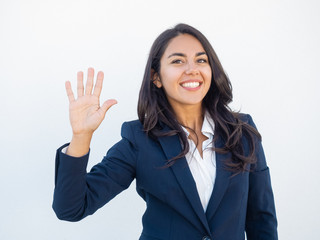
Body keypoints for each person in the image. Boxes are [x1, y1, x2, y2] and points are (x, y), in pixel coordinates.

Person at [52, 23, 278, 240]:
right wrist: (81, 136)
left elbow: (261, 219)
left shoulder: (242, 132)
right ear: (156, 77)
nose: (192, 69)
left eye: (201, 60)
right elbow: (71, 208)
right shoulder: (139, 140)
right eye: (178, 61)